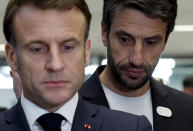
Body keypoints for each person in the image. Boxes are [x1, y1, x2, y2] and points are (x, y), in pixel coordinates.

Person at [0, 0, 152, 131]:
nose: (55, 65)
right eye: (38, 49)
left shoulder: (130, 128)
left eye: (67, 47)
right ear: (12, 57)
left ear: (86, 52)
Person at [79, 0, 193, 131]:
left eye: (151, 42)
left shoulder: (187, 110)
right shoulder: (69, 106)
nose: (137, 59)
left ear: (165, 42)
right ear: (105, 32)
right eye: (125, 39)